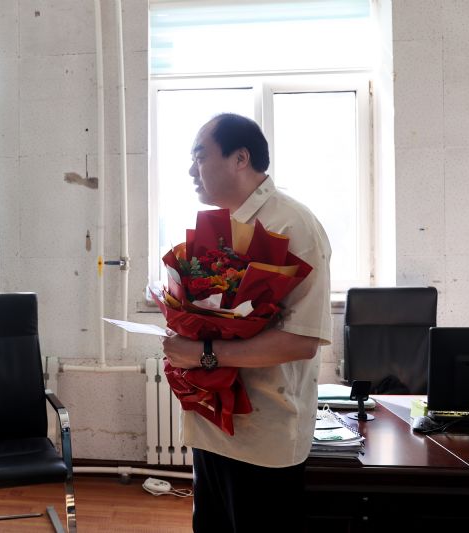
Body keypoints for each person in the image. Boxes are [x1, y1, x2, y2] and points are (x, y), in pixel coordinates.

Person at [162, 113, 332, 532]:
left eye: (200, 157)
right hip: (211, 424)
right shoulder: (223, 227)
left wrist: (202, 353)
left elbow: (302, 340)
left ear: (240, 158)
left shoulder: (292, 225)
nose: (192, 171)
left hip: (263, 435)